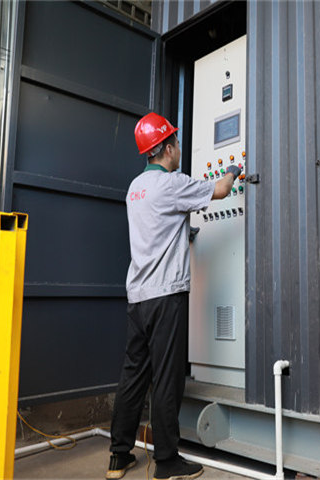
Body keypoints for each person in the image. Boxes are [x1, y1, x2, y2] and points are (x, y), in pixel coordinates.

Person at [106, 112, 241, 480]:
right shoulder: (172, 183)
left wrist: (184, 234)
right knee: (167, 377)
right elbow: (220, 190)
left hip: (138, 296)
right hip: (166, 296)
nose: (179, 148)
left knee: (134, 374)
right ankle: (167, 462)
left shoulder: (135, 188)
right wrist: (233, 170)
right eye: (176, 143)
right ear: (166, 148)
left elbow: (157, 228)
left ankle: (119, 456)